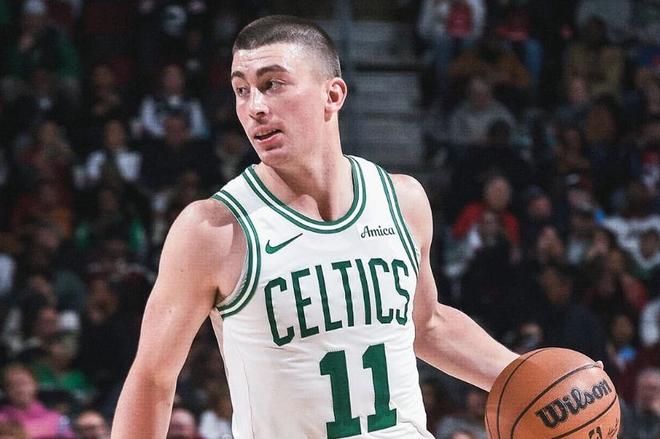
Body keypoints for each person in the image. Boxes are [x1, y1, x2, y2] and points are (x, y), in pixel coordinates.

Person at [111, 15, 518, 438]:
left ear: (332, 94)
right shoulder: (214, 229)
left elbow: (427, 324)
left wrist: (534, 379)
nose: (255, 107)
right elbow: (153, 378)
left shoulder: (402, 200)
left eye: (272, 84)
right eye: (241, 90)